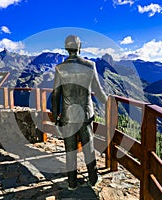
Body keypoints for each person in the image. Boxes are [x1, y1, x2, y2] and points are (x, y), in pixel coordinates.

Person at [52, 35, 108, 190]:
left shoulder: (60, 68)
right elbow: (98, 90)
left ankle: (72, 182)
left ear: (66, 48)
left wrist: (55, 116)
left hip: (68, 116)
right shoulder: (90, 65)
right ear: (79, 47)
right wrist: (109, 103)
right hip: (85, 115)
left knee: (70, 149)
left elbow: (55, 95)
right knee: (88, 147)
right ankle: (93, 178)